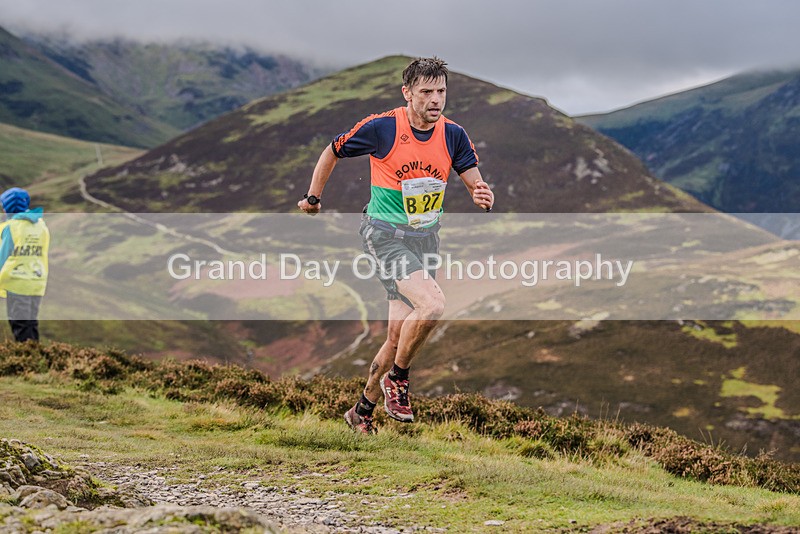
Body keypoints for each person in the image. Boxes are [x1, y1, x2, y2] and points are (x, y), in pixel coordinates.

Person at [298, 57, 494, 433]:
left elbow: (473, 178)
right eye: (426, 92)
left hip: (426, 239)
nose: (436, 100)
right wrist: (313, 198)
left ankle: (361, 412)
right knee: (433, 304)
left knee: (396, 336)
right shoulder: (383, 127)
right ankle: (398, 379)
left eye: (441, 92)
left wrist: (481, 193)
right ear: (407, 93)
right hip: (384, 235)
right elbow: (332, 151)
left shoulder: (453, 134)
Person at [0, 187, 50, 343]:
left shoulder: (11, 227)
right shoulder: (41, 225)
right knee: (30, 323)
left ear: (9, 207)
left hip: (17, 284)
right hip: (36, 283)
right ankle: (34, 360)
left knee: (20, 326)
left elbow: (3, 256)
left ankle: (27, 362)